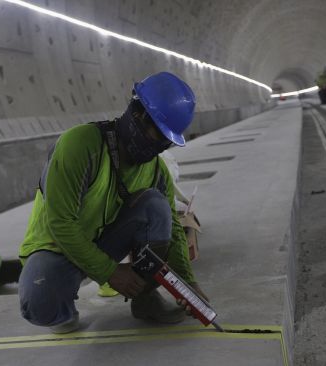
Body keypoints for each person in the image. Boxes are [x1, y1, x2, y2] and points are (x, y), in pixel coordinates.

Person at [18, 72, 208, 334]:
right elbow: (61, 223)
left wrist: (187, 283)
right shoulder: (81, 145)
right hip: (56, 247)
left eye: (166, 140)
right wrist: (110, 272)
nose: (159, 146)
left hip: (105, 241)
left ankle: (145, 298)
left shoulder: (155, 171)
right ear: (137, 114)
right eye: (157, 134)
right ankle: (62, 308)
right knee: (39, 303)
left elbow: (174, 230)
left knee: (157, 206)